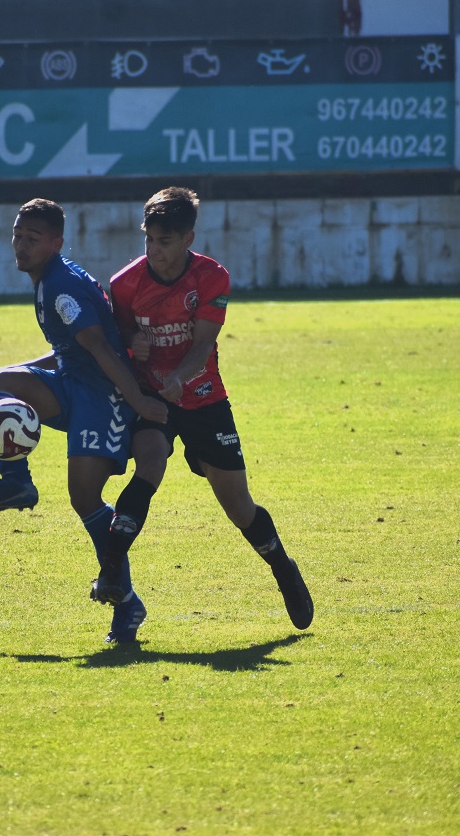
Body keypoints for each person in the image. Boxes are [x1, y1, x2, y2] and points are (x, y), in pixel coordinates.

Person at [101, 187, 314, 630]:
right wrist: (131, 344)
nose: (154, 251)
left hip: (202, 396)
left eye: (164, 242)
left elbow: (202, 345)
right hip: (152, 397)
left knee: (237, 505)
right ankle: (111, 568)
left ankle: (281, 567)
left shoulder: (212, 278)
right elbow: (118, 335)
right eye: (148, 240)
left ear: (188, 239)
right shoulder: (124, 284)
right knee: (150, 464)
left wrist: (180, 377)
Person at [0, 199, 168, 644]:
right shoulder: (51, 279)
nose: (21, 246)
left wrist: (136, 400)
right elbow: (71, 348)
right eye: (18, 236)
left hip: (103, 396)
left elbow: (98, 346)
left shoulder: (59, 287)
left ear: (56, 243)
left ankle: (124, 598)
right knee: (0, 383)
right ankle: (16, 483)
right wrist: (25, 371)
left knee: (85, 498)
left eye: (32, 240)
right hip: (74, 382)